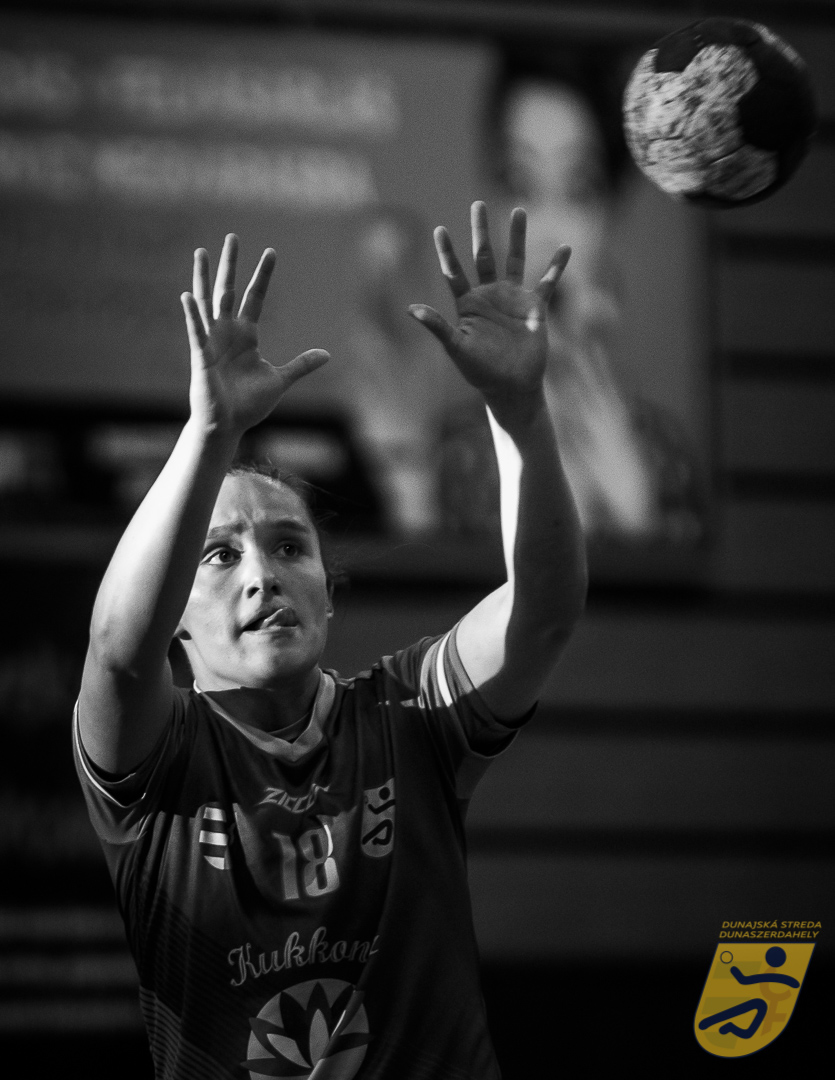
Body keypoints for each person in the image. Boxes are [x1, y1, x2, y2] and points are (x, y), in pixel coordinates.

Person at [73, 202, 587, 1080]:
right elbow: (118, 649)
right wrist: (209, 434)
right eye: (219, 555)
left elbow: (541, 609)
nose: (261, 576)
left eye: (288, 548)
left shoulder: (409, 715)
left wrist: (519, 413)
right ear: (173, 616)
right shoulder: (155, 758)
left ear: (328, 592)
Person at [442, 47, 705, 545]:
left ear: (609, 217)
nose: (546, 233)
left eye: (579, 191)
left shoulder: (667, 457)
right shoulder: (457, 454)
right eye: (521, 185)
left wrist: (638, 516)